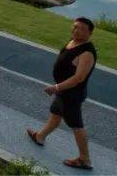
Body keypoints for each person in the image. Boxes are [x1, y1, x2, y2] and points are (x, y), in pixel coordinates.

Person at [27, 17, 98, 171]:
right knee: (55, 113)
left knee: (76, 125)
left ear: (89, 33)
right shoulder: (73, 41)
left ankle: (84, 159)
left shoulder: (87, 53)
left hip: (71, 94)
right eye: (74, 27)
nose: (75, 30)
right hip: (64, 92)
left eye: (80, 28)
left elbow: (79, 78)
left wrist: (56, 87)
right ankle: (40, 137)